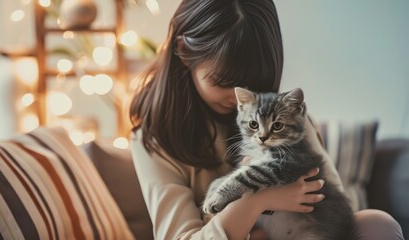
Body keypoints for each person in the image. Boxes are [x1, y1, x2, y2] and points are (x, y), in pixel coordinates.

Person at [129, 0, 404, 239]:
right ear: (183, 50)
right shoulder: (153, 139)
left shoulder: (280, 116)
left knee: (376, 224)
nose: (237, 95)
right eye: (222, 80)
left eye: (251, 82)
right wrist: (256, 201)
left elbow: (331, 204)